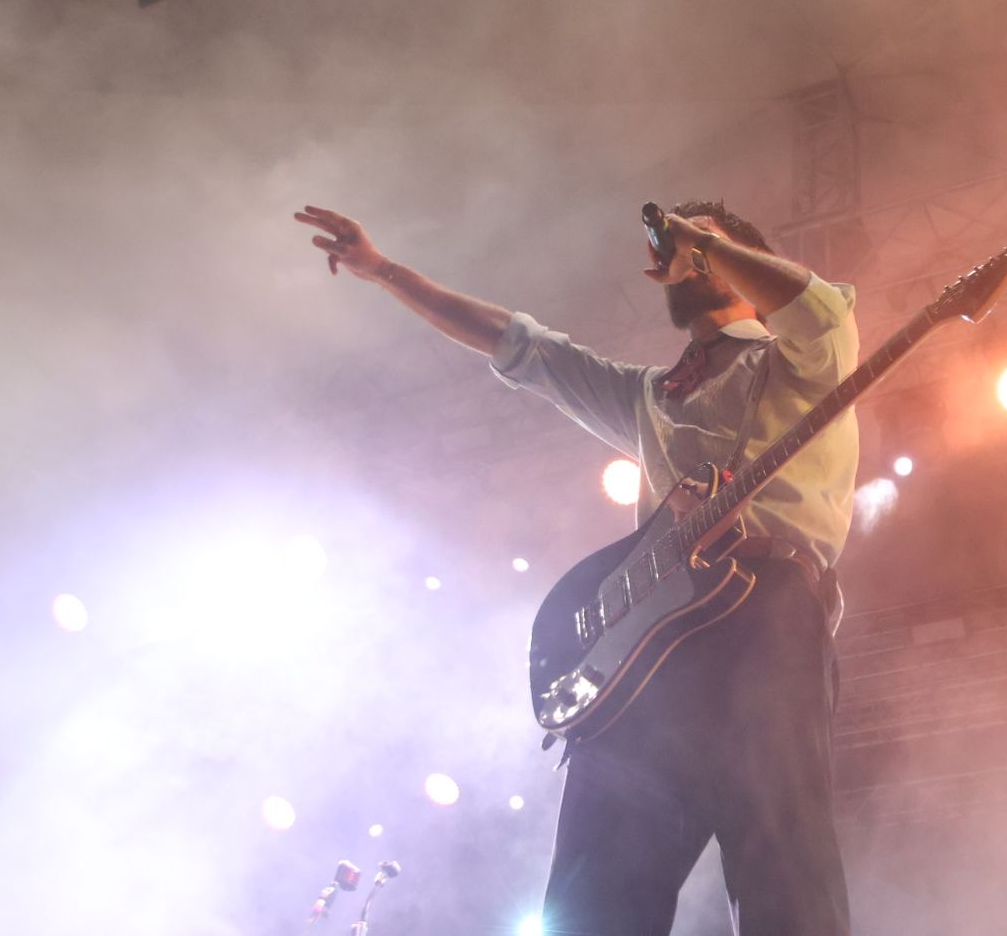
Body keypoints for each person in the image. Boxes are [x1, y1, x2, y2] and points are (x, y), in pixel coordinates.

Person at [295, 200, 858, 935]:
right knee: (598, 883)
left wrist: (701, 243)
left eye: (709, 246)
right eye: (678, 245)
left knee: (782, 859)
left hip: (767, 613)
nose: (684, 255)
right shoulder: (650, 395)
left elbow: (819, 309)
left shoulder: (801, 358)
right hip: (646, 643)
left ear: (747, 265)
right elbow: (524, 349)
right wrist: (387, 272)